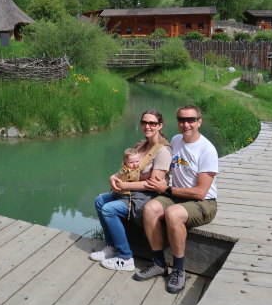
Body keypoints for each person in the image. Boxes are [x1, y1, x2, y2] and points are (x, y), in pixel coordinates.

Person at [134, 105, 219, 293]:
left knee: (172, 214)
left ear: (199, 122)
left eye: (191, 120)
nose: (186, 124)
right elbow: (160, 149)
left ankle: (179, 269)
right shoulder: (176, 140)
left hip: (203, 203)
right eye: (181, 120)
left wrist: (167, 189)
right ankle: (158, 263)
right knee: (150, 208)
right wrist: (143, 146)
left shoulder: (207, 150)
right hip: (176, 196)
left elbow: (200, 193)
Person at [91, 110, 172, 271]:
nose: (147, 126)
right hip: (130, 192)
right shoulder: (142, 144)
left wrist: (124, 186)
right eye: (144, 122)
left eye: (152, 123)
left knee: (108, 209)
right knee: (99, 201)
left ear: (160, 125)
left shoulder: (163, 151)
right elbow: (128, 169)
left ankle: (125, 257)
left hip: (145, 197)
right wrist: (113, 177)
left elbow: (153, 184)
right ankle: (112, 246)